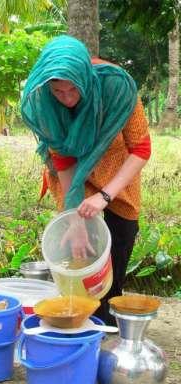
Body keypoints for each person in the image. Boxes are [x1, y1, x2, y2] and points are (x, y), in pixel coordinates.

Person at [21, 36, 151, 325]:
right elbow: (63, 159)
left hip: (118, 172)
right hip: (72, 176)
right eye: (58, 91)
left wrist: (105, 196)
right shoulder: (45, 101)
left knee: (119, 241)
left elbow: (142, 150)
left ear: (85, 77)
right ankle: (82, 324)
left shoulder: (118, 89)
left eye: (73, 89)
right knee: (79, 253)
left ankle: (106, 324)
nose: (67, 98)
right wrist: (74, 218)